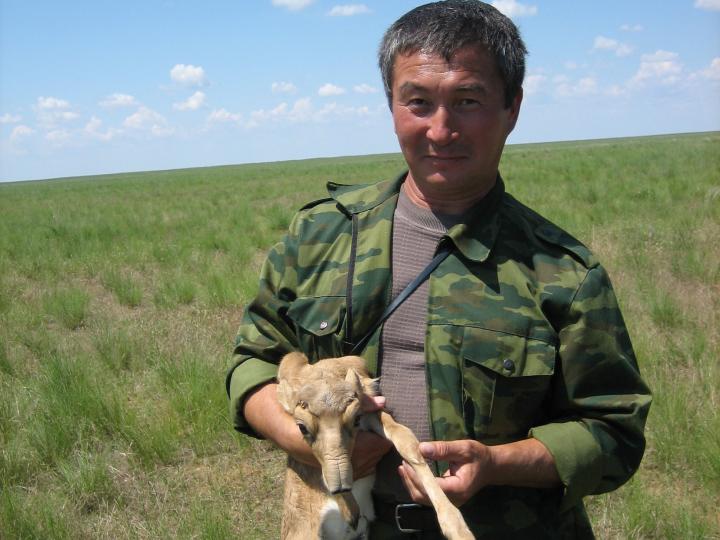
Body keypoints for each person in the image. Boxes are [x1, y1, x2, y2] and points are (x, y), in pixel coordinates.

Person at [225, 0, 652, 537]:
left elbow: (614, 432)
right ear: (391, 105)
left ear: (512, 108)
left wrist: (497, 465)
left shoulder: (563, 272)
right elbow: (252, 363)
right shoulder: (319, 237)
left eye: (468, 100)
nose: (441, 129)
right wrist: (304, 439)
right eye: (419, 102)